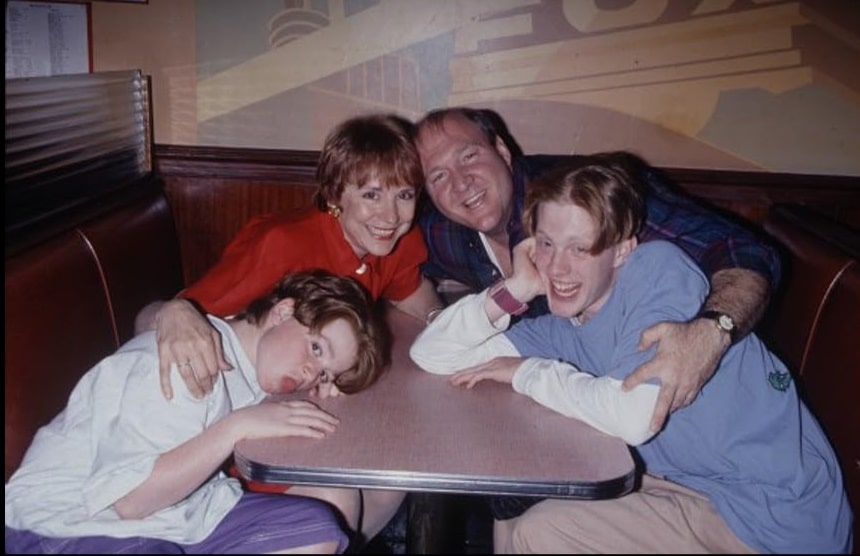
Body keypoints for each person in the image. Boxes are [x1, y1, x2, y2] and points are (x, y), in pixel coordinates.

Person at [409, 161, 852, 554]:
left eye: (581, 248)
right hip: (695, 485)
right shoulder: (564, 325)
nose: (557, 269)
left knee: (539, 532)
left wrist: (527, 372)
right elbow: (432, 354)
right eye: (546, 244)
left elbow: (633, 416)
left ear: (623, 250)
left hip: (775, 517)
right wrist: (516, 289)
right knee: (524, 512)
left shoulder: (658, 273)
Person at [134, 113, 442, 544]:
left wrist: (451, 336)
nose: (390, 215)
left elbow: (416, 297)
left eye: (405, 195)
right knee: (337, 500)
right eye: (371, 194)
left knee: (392, 482)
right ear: (336, 193)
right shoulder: (283, 244)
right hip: (230, 433)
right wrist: (172, 311)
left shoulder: (394, 242)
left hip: (308, 406)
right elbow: (163, 321)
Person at [413, 107, 781, 433]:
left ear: (502, 151)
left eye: (469, 156)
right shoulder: (444, 231)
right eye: (438, 176)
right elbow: (391, 259)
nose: (460, 182)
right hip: (573, 414)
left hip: (692, 427)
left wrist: (712, 332)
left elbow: (743, 251)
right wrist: (514, 289)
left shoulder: (588, 197)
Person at [5, 269, 390, 555]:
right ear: (283, 311)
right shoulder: (189, 360)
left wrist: (329, 384)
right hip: (59, 526)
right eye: (316, 348)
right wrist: (235, 428)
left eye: (323, 372)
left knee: (317, 528)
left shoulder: (251, 365)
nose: (311, 373)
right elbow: (130, 500)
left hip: (173, 517)